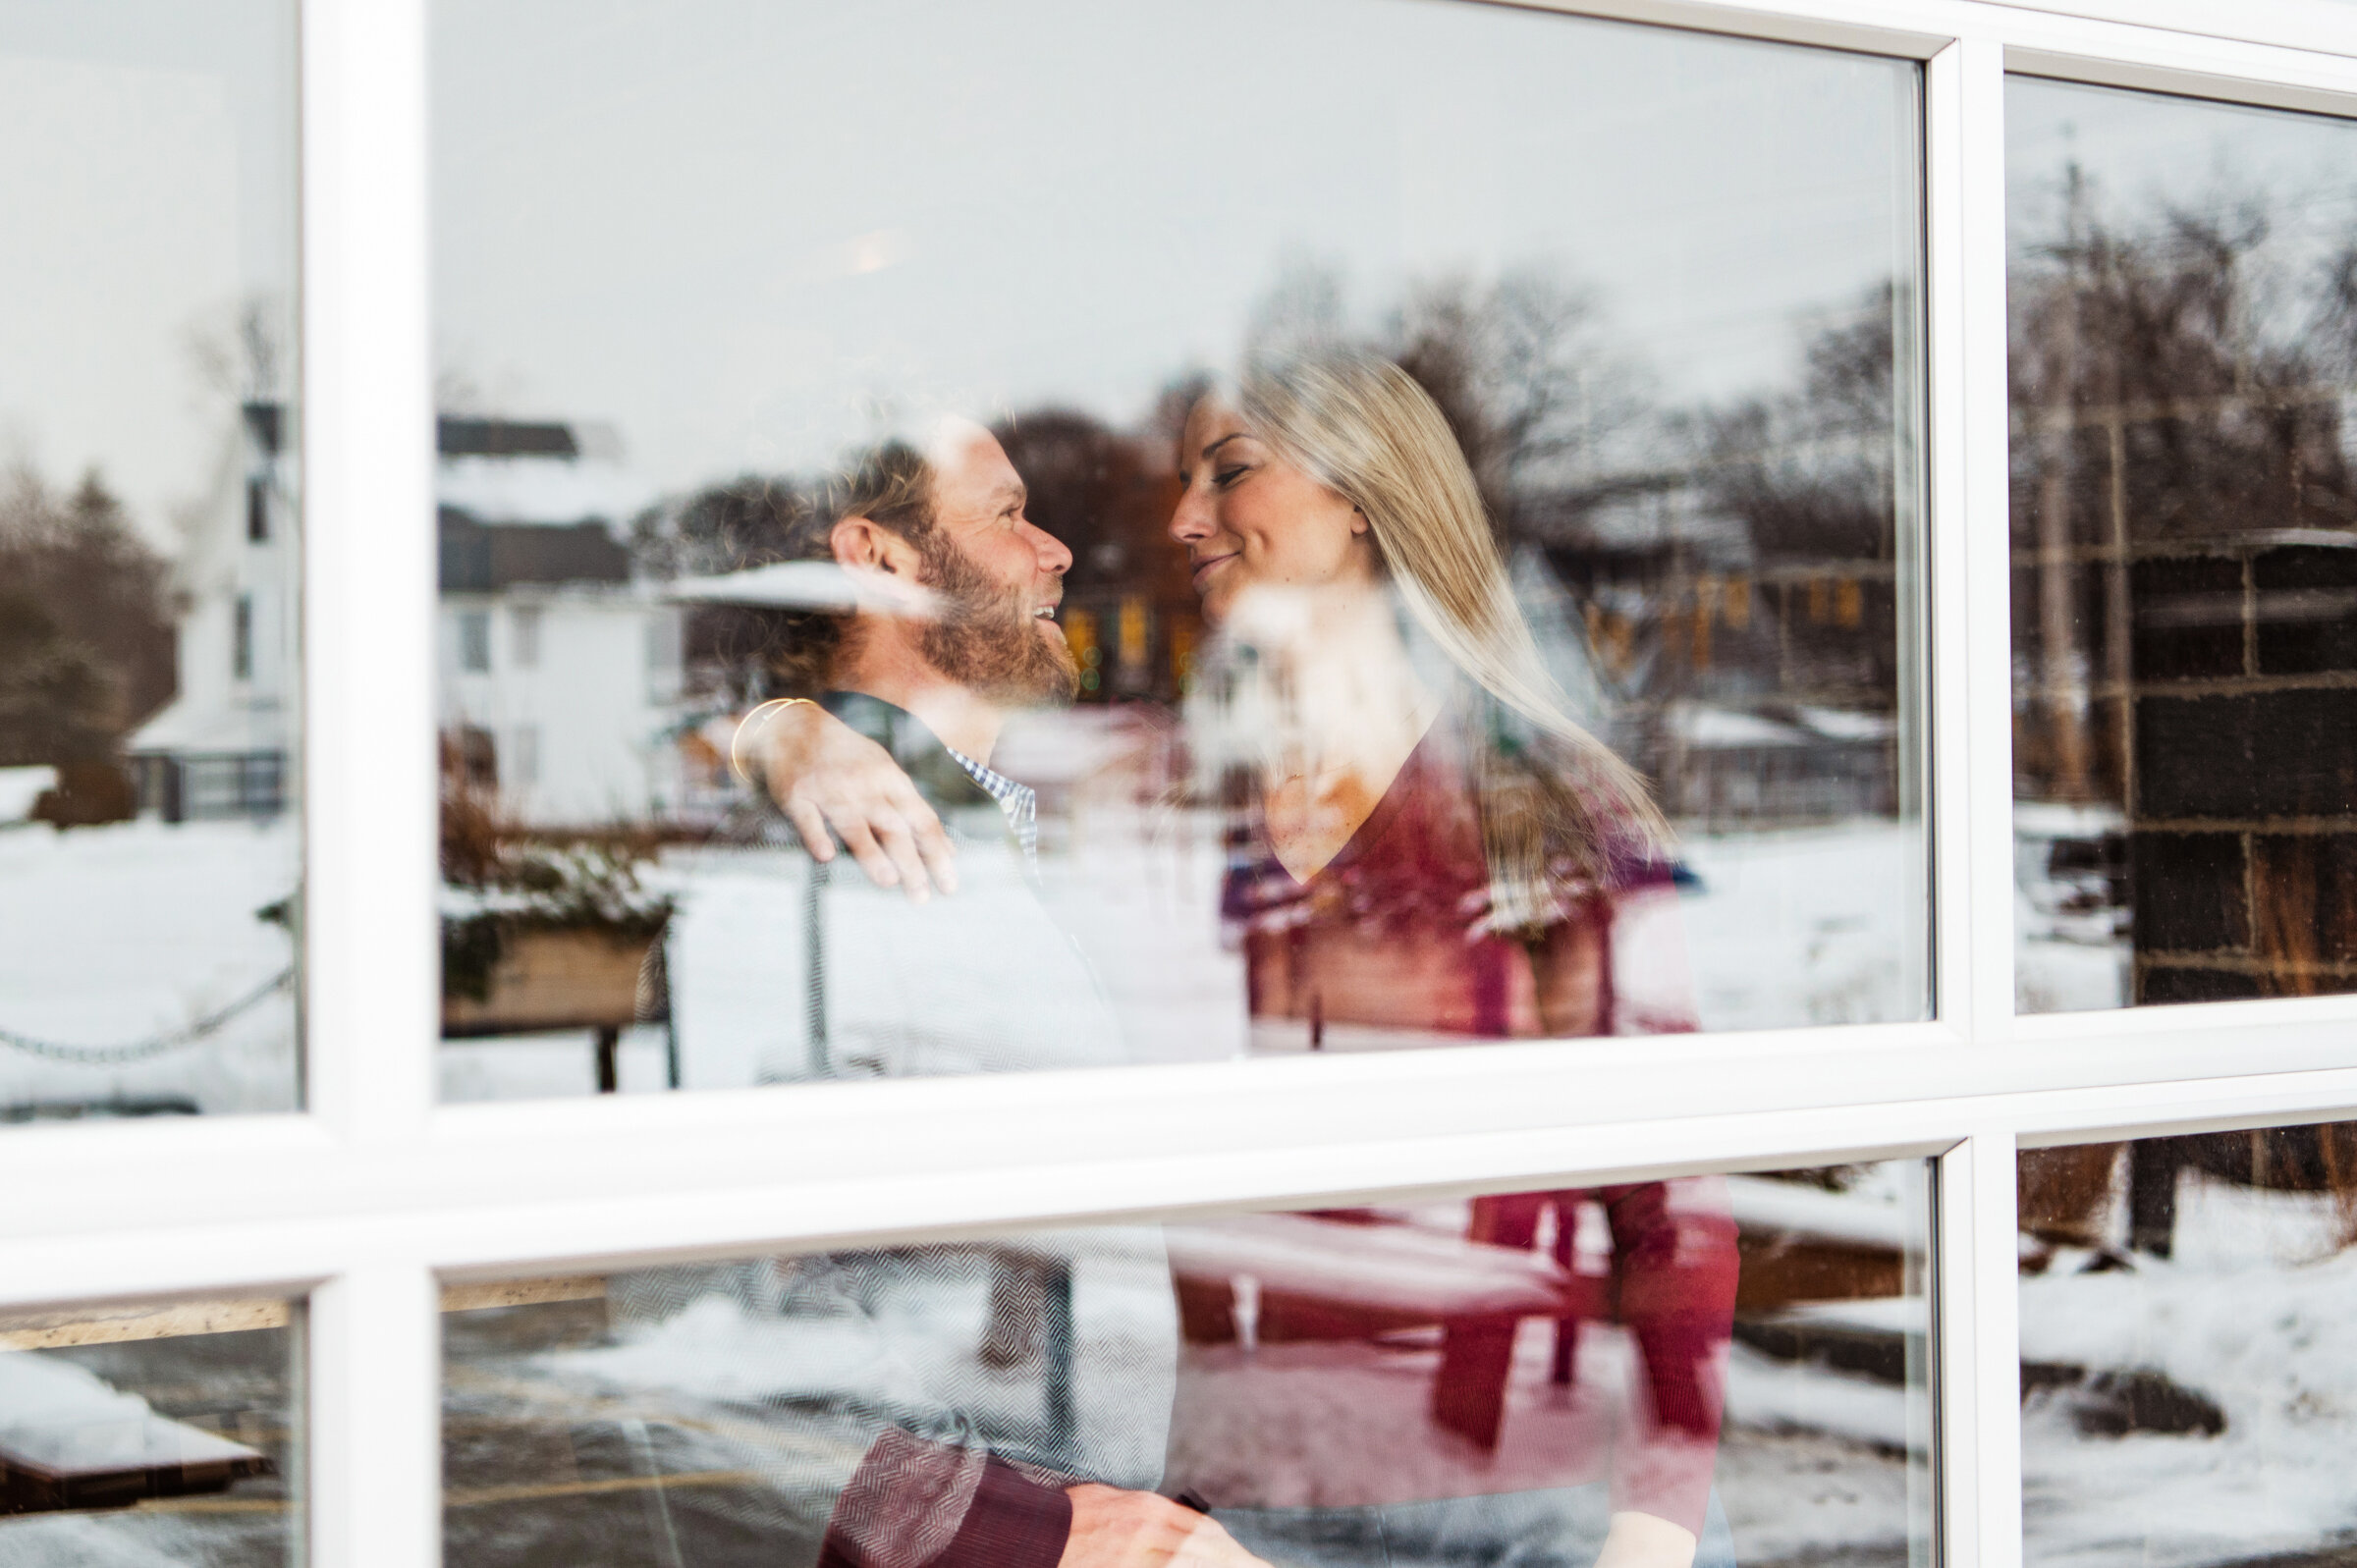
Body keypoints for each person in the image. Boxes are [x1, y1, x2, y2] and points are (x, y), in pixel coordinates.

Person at [747, 353, 1738, 1568]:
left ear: (1364, 496)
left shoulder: (1552, 813)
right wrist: (782, 731)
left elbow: (1673, 1209)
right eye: (1182, 480)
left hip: (1532, 1512)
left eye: (1231, 471)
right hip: (1244, 1515)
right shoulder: (1169, 790)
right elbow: (925, 718)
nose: (1182, 519)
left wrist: (1655, 1532)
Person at [725, 417, 1271, 1568]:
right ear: (879, 557)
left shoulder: (1010, 818)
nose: (1055, 548)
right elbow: (770, 1311)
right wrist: (1031, 1530)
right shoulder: (840, 854)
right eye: (1006, 512)